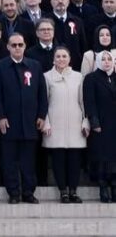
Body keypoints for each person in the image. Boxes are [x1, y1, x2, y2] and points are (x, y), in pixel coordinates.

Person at [0, 33, 48, 204]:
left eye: (20, 45)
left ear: (25, 46)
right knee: (9, 161)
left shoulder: (35, 66)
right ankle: (14, 193)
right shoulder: (0, 66)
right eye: (14, 45)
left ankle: (28, 192)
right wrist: (0, 117)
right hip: (9, 121)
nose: (17, 48)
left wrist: (41, 115)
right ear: (8, 47)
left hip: (30, 122)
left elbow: (42, 94)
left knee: (28, 161)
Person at [42, 47, 88, 203]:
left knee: (75, 161)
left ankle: (73, 191)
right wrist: (46, 122)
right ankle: (63, 191)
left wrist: (85, 121)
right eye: (58, 56)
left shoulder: (78, 77)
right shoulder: (47, 77)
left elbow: (83, 101)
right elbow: (44, 102)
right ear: (53, 59)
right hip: (55, 124)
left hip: (75, 124)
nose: (61, 59)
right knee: (58, 160)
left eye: (64, 56)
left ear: (69, 59)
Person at [83, 51, 116, 203]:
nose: (106, 62)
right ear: (97, 61)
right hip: (101, 125)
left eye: (109, 59)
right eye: (103, 59)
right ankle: (103, 187)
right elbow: (89, 102)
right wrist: (94, 122)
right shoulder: (91, 78)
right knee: (103, 157)